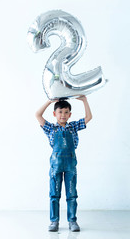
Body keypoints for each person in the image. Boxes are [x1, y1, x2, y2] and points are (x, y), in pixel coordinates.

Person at [35, 96, 92, 232]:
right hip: (56, 165)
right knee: (54, 194)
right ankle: (54, 221)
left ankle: (72, 221)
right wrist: (49, 101)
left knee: (72, 194)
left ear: (70, 114)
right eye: (60, 112)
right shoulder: (50, 128)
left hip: (70, 165)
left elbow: (89, 117)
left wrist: (84, 100)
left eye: (66, 112)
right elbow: (37, 114)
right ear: (55, 114)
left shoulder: (73, 126)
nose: (63, 115)